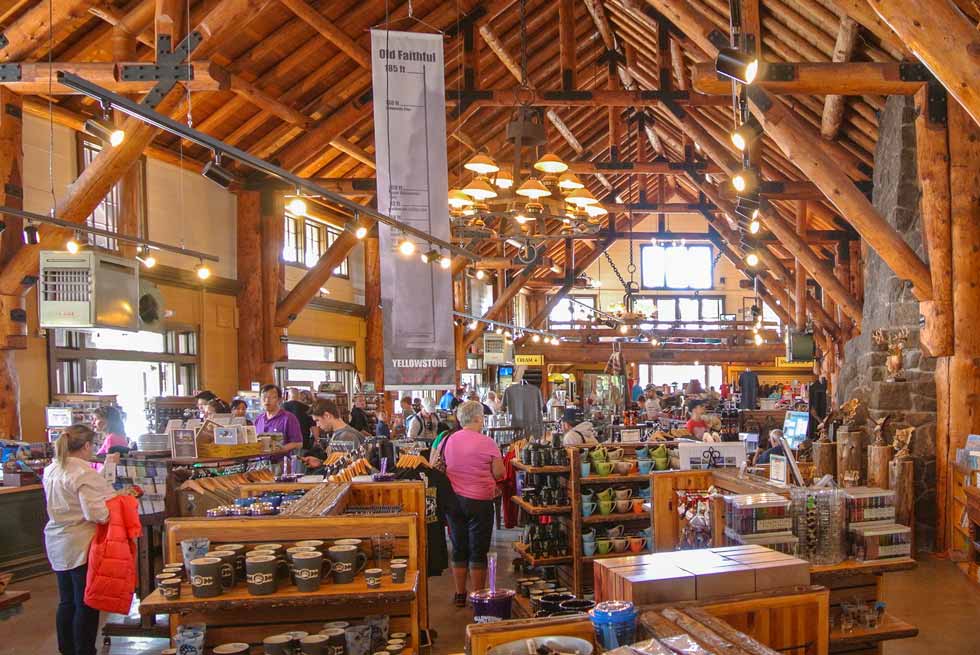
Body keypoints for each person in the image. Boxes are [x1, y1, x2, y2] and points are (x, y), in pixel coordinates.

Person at [43, 425, 114, 655]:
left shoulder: (52, 469)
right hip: (81, 542)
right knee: (86, 601)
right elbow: (96, 513)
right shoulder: (82, 473)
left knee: (66, 601)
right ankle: (84, 649)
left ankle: (67, 649)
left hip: (57, 539)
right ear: (86, 446)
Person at [440, 400, 505, 608]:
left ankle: (460, 594)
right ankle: (478, 596)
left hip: (454, 501)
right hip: (480, 501)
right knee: (478, 551)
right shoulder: (487, 442)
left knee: (459, 547)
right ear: (478, 418)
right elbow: (499, 473)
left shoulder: (448, 439)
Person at [301, 399, 365, 469]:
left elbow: (353, 470)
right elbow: (340, 465)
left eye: (317, 420)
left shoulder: (346, 437)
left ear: (327, 415)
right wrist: (321, 463)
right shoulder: (341, 434)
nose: (317, 425)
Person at [254, 384, 303, 452]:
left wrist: (280, 449)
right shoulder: (258, 419)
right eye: (264, 397)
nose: (267, 400)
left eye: (271, 397)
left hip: (281, 461)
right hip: (260, 461)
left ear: (279, 400)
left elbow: (298, 443)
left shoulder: (288, 418)